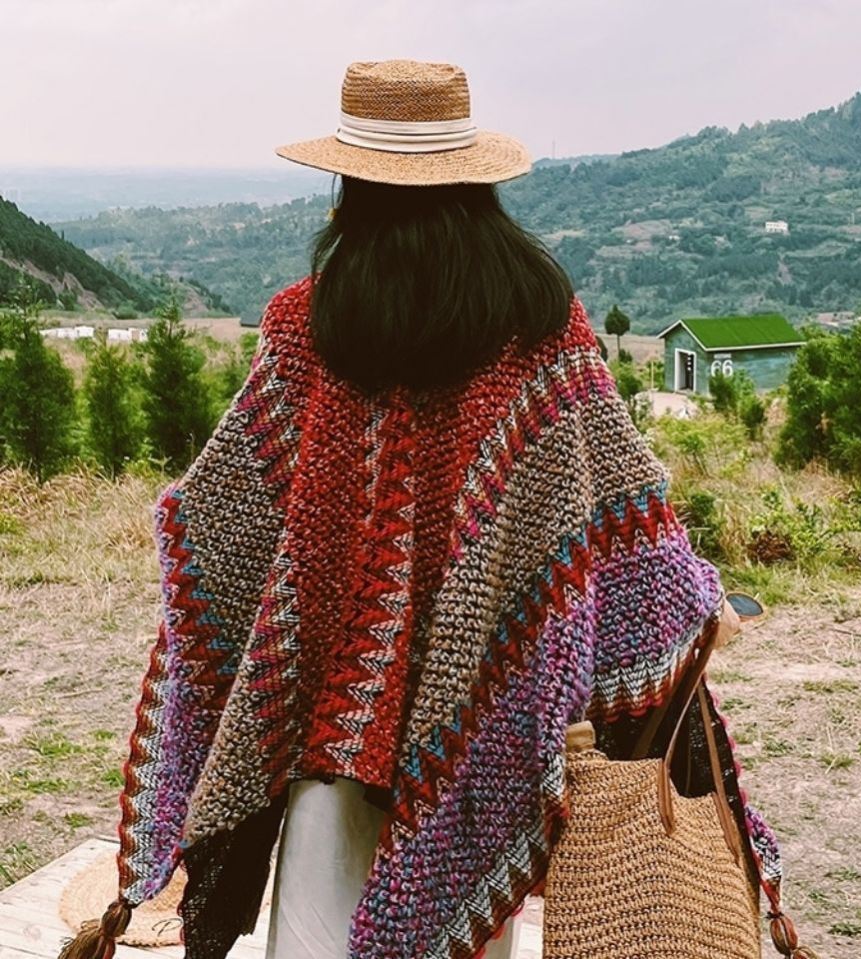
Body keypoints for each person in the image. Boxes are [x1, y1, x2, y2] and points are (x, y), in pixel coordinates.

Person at [59, 59, 788, 959]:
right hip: (487, 737)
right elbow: (633, 529)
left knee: (317, 936)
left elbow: (217, 530)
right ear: (476, 183)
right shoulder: (543, 328)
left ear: (350, 185)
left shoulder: (307, 323)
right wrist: (699, 602)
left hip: (331, 726)